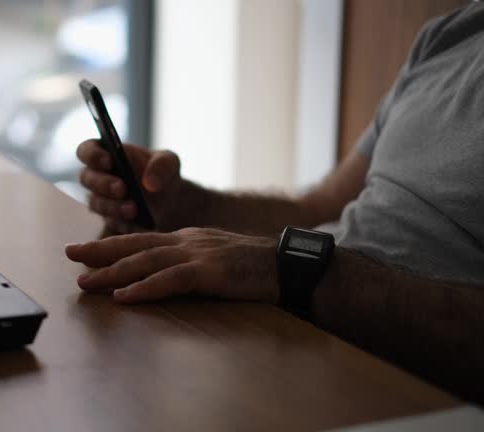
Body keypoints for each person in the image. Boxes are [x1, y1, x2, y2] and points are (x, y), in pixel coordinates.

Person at [65, 3, 484, 403]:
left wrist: (296, 269)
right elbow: (319, 208)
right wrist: (181, 203)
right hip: (295, 336)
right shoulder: (450, 36)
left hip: (400, 386)